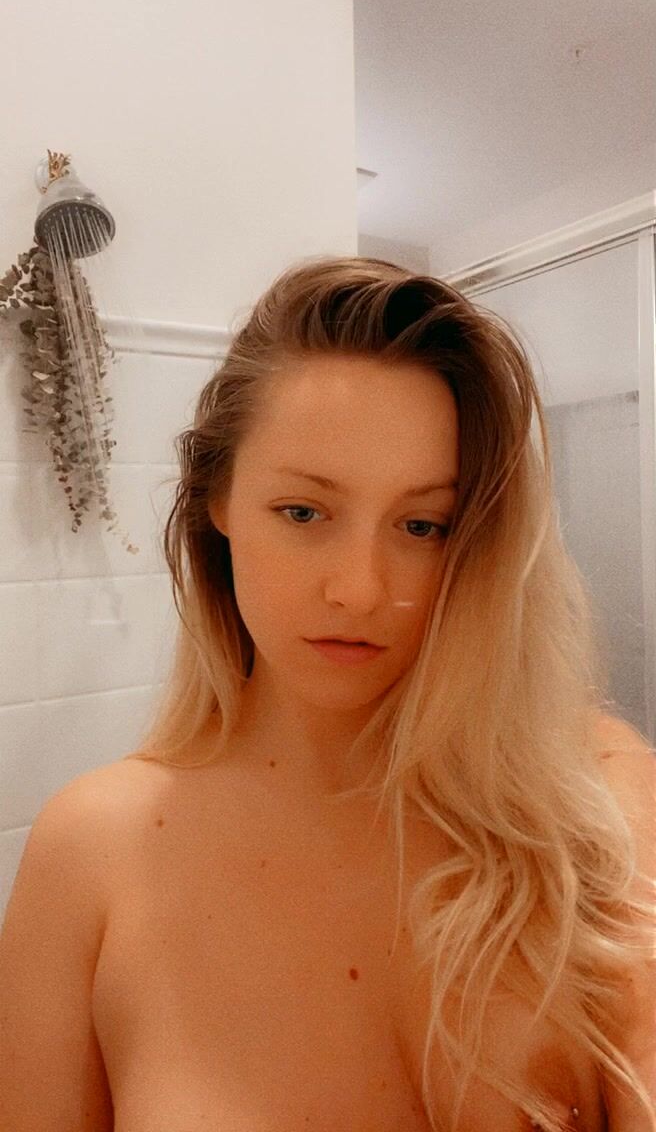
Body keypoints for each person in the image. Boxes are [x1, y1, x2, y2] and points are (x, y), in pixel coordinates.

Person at [1, 256, 654, 1132]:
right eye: (304, 513)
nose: (359, 588)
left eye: (422, 526)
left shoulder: (591, 798)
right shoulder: (91, 852)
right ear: (217, 503)